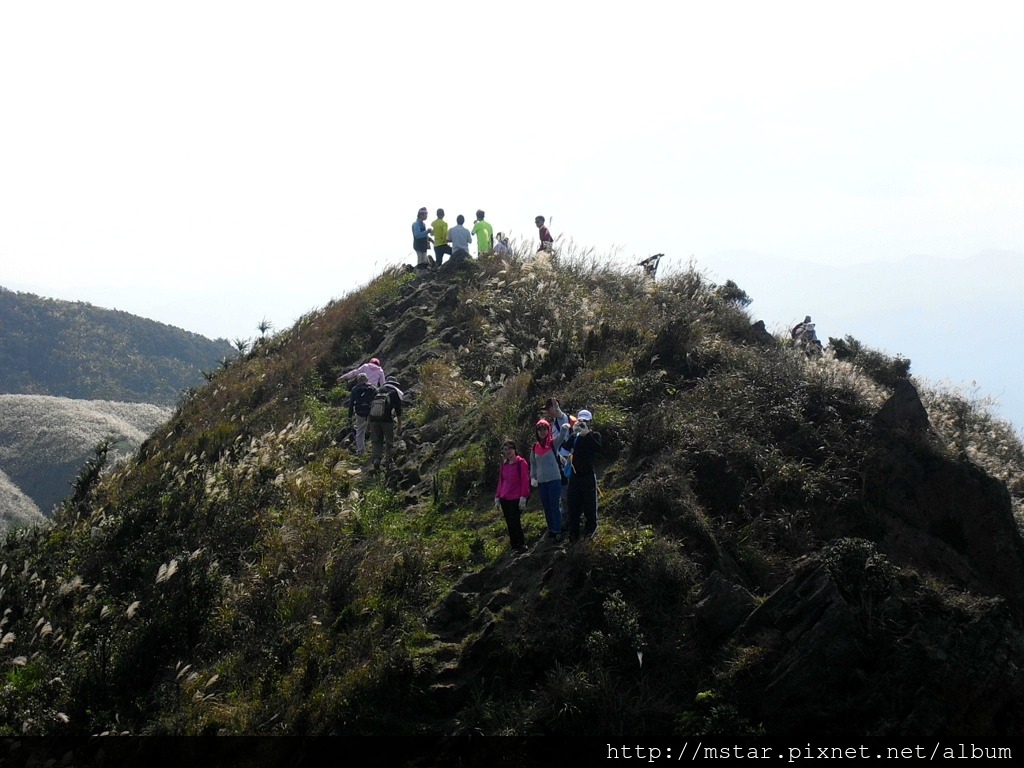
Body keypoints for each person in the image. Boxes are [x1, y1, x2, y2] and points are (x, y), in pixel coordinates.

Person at [559, 409, 602, 541]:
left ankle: (590, 531)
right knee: (573, 506)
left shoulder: (594, 435)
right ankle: (574, 534)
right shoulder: (574, 437)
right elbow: (563, 449)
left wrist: (587, 434)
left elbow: (598, 449)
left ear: (590, 422)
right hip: (574, 477)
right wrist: (567, 432)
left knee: (590, 505)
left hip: (588, 475)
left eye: (585, 421)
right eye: (580, 421)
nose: (583, 423)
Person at [530, 419, 566, 541]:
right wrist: (532, 477)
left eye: (545, 429)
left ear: (548, 430)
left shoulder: (552, 443)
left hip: (554, 478)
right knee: (546, 506)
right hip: (541, 481)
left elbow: (561, 437)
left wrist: (565, 428)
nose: (542, 431)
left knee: (554, 505)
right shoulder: (535, 447)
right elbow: (533, 464)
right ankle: (551, 530)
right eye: (540, 429)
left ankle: (558, 530)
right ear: (537, 431)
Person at [495, 439, 531, 553]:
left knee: (515, 520)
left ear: (514, 449)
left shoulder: (521, 463)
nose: (508, 451)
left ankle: (522, 544)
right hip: (504, 497)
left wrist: (523, 497)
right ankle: (514, 545)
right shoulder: (504, 465)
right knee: (509, 522)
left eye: (510, 448)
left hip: (516, 497)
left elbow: (525, 480)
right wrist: (497, 496)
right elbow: (501, 481)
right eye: (505, 449)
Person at [367, 377, 403, 470]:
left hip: (374, 419)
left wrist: (368, 423)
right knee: (389, 441)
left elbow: (370, 407)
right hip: (387, 420)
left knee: (376, 441)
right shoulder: (395, 392)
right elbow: (398, 410)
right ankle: (388, 461)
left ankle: (376, 459)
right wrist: (399, 425)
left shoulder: (377, 390)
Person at [347, 373, 376, 454]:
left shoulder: (355, 389)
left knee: (360, 432)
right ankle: (374, 450)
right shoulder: (373, 388)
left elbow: (351, 404)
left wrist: (349, 416)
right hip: (371, 412)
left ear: (358, 381)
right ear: (367, 380)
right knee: (374, 430)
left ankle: (361, 450)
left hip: (360, 413)